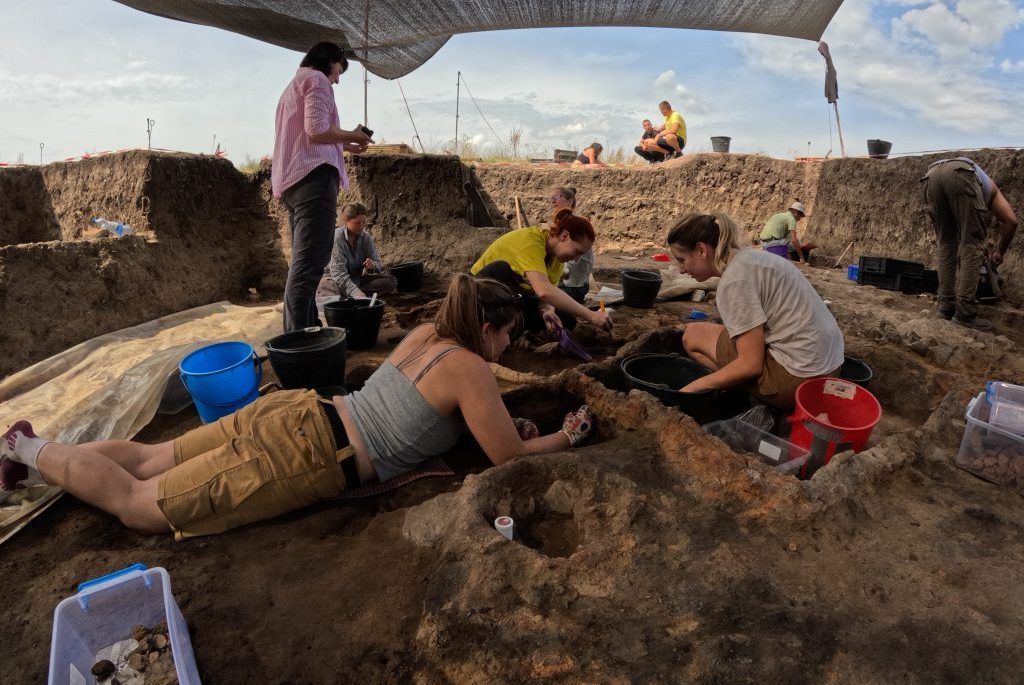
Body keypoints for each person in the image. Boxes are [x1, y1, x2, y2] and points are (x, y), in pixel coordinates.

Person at [0, 276, 595, 538]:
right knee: (139, 508)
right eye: (508, 334)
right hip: (306, 453)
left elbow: (430, 411)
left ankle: (28, 462)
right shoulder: (470, 366)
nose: (509, 346)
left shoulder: (426, 336)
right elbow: (507, 456)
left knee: (149, 456)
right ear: (487, 327)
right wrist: (565, 437)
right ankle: (23, 447)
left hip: (294, 413)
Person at [668, 212, 844, 409]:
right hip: (831, 370)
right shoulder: (751, 258)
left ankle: (738, 396)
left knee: (693, 335)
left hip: (799, 383)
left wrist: (691, 388)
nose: (681, 269)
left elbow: (750, 365)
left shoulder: (734, 281)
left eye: (681, 259)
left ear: (701, 249)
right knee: (725, 334)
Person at [272, 41, 373, 332]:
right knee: (309, 264)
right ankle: (296, 340)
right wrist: (352, 133)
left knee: (305, 262)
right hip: (313, 179)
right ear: (330, 60)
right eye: (339, 70)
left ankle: (307, 326)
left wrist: (346, 143)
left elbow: (309, 133)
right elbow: (316, 130)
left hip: (294, 181)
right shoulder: (316, 79)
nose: (337, 79)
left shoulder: (294, 85)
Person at [470, 208, 612, 333]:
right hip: (479, 293)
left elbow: (547, 297)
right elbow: (544, 291)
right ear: (564, 236)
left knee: (567, 319)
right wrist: (591, 315)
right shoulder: (530, 241)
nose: (576, 259)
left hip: (513, 298)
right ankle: (498, 330)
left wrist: (547, 311)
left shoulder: (558, 260)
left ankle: (513, 330)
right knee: (501, 269)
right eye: (577, 251)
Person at [922, 157, 1017, 331]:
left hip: (931, 175)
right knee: (972, 246)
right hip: (960, 173)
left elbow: (955, 238)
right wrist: (1000, 253)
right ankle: (965, 313)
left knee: (945, 244)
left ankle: (945, 306)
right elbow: (1011, 221)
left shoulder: (979, 184)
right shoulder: (993, 191)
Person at [316, 202, 398, 300]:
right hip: (334, 280)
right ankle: (351, 297)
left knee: (390, 281)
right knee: (325, 286)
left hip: (356, 280)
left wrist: (372, 266)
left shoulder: (366, 239)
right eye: (357, 223)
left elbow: (378, 264)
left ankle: (351, 297)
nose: (361, 226)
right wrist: (355, 291)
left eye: (363, 222)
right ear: (347, 220)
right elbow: (338, 273)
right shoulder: (337, 238)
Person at [550, 187, 594, 307]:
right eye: (552, 198)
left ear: (570, 201)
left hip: (573, 286)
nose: (553, 201)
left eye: (557, 198)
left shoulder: (576, 226)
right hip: (565, 282)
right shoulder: (560, 223)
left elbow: (570, 269)